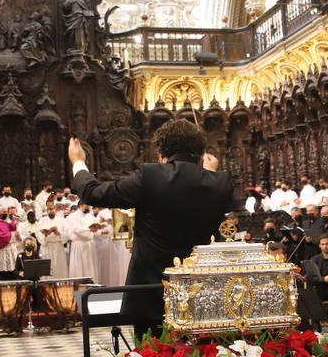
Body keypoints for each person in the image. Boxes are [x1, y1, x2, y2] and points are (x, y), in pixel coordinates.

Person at [70, 119, 233, 340]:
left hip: (151, 295)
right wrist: (210, 174)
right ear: (199, 152)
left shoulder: (151, 176)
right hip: (202, 296)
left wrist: (78, 162)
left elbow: (94, 193)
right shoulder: (220, 182)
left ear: (161, 151)